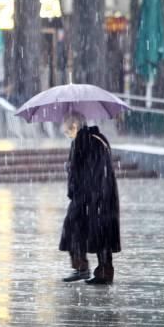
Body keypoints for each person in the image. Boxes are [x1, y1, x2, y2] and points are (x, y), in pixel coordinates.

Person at [59, 112, 121, 285]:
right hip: (104, 194)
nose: (66, 132)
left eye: (67, 128)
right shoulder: (99, 138)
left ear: (75, 126)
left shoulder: (82, 141)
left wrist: (70, 170)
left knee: (73, 229)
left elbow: (80, 171)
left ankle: (82, 267)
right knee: (102, 234)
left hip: (89, 195)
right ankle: (104, 272)